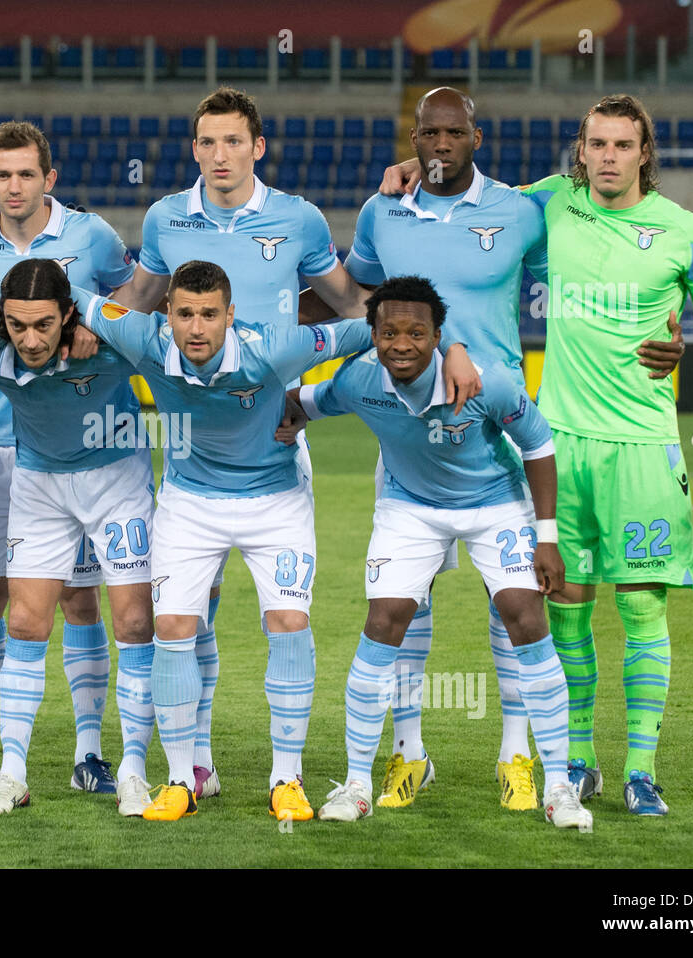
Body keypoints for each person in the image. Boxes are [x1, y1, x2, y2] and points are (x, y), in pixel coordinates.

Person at [325, 87, 682, 813]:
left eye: (453, 134)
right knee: (405, 605)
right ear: (415, 137)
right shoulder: (379, 210)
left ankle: (517, 756)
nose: (440, 145)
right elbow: (352, 295)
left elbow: (602, 263)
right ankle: (408, 754)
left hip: (504, 432)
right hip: (408, 435)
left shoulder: (522, 211)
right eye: (428, 135)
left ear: (476, 138)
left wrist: (668, 326)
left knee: (513, 605)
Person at [106, 86, 434, 802]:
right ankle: (192, 768)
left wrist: (346, 386)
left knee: (285, 618)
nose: (219, 155)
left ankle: (285, 777)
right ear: (193, 149)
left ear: (258, 147)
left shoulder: (299, 219)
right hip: (193, 444)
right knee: (189, 621)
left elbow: (353, 307)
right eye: (206, 142)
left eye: (234, 141)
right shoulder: (165, 217)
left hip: (274, 441)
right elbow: (132, 303)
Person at [70, 260, 451, 822]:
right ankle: (181, 781)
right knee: (172, 628)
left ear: (230, 315)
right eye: (183, 314)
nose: (195, 328)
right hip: (190, 501)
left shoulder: (275, 347)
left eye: (208, 315)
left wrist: (454, 348)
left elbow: (373, 323)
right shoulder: (140, 334)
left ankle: (286, 778)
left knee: (289, 625)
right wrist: (78, 321)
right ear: (166, 314)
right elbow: (69, 293)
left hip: (276, 501)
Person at [282, 275, 591, 832]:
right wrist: (262, 421)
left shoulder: (486, 383)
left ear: (439, 336)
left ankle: (559, 788)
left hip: (496, 504)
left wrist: (547, 536)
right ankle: (356, 783)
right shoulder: (357, 381)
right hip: (411, 507)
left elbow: (539, 443)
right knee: (384, 621)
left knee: (525, 616)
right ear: (371, 334)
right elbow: (302, 403)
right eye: (389, 332)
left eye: (416, 333)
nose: (402, 344)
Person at [522, 95, 693, 815]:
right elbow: (472, 208)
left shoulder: (682, 231)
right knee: (567, 604)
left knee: (643, 607)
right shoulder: (550, 204)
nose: (609, 157)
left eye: (624, 145)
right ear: (581, 149)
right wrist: (413, 169)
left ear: (643, 152)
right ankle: (580, 760)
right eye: (597, 144)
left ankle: (642, 771)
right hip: (560, 443)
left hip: (645, 447)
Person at [0, 122, 135, 796]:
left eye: (27, 174)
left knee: (81, 597)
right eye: (3, 175)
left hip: (72, 444)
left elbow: (135, 297)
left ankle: (89, 751)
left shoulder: (93, 238)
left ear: (48, 178)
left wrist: (91, 322)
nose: (15, 186)